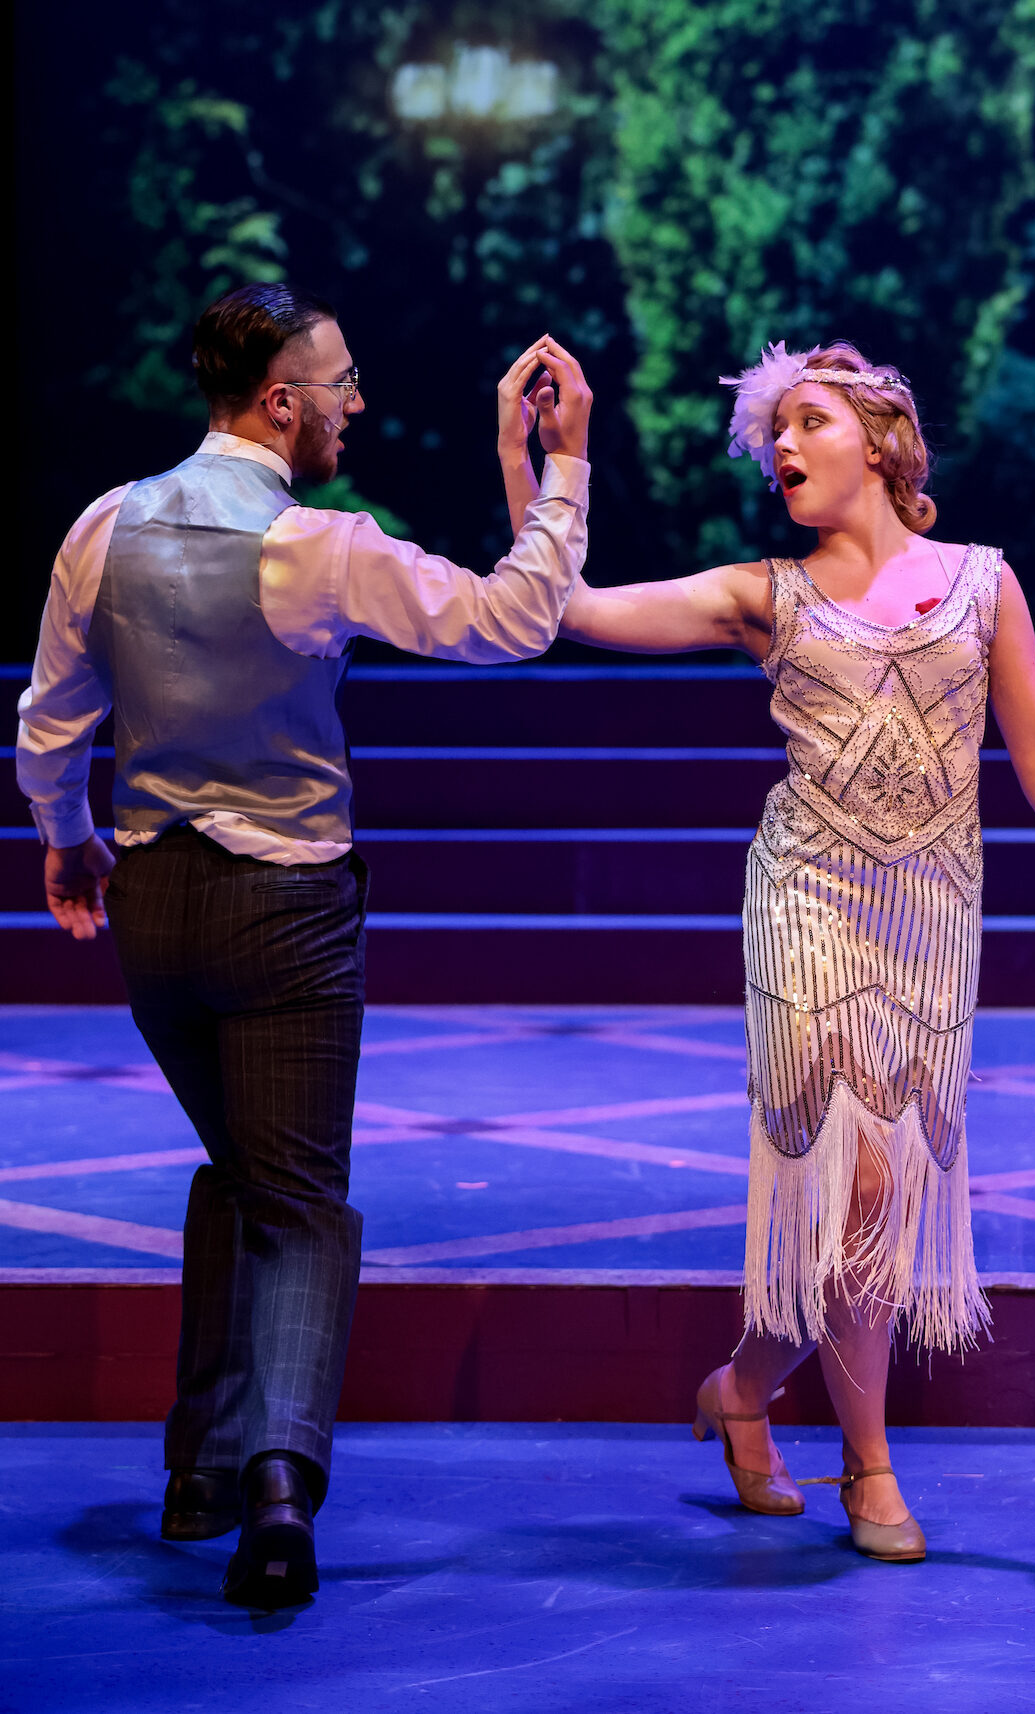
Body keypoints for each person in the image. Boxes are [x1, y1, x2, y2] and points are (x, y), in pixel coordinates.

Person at [16, 282, 592, 1607]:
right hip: (285, 910)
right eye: (340, 386)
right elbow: (511, 618)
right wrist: (558, 467)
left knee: (242, 1171)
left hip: (153, 906)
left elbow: (50, 724)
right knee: (299, 1198)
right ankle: (280, 1484)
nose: (357, 406)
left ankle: (200, 1469)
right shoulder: (317, 549)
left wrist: (68, 837)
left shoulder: (104, 527)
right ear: (281, 403)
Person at [557, 339, 1035, 1562]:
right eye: (772, 432)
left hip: (931, 910)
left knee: (872, 1202)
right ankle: (870, 1468)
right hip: (807, 899)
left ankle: (742, 1388)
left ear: (880, 437)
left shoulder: (983, 583)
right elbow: (574, 607)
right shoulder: (764, 594)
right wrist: (551, 465)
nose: (782, 445)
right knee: (856, 1181)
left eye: (807, 419)